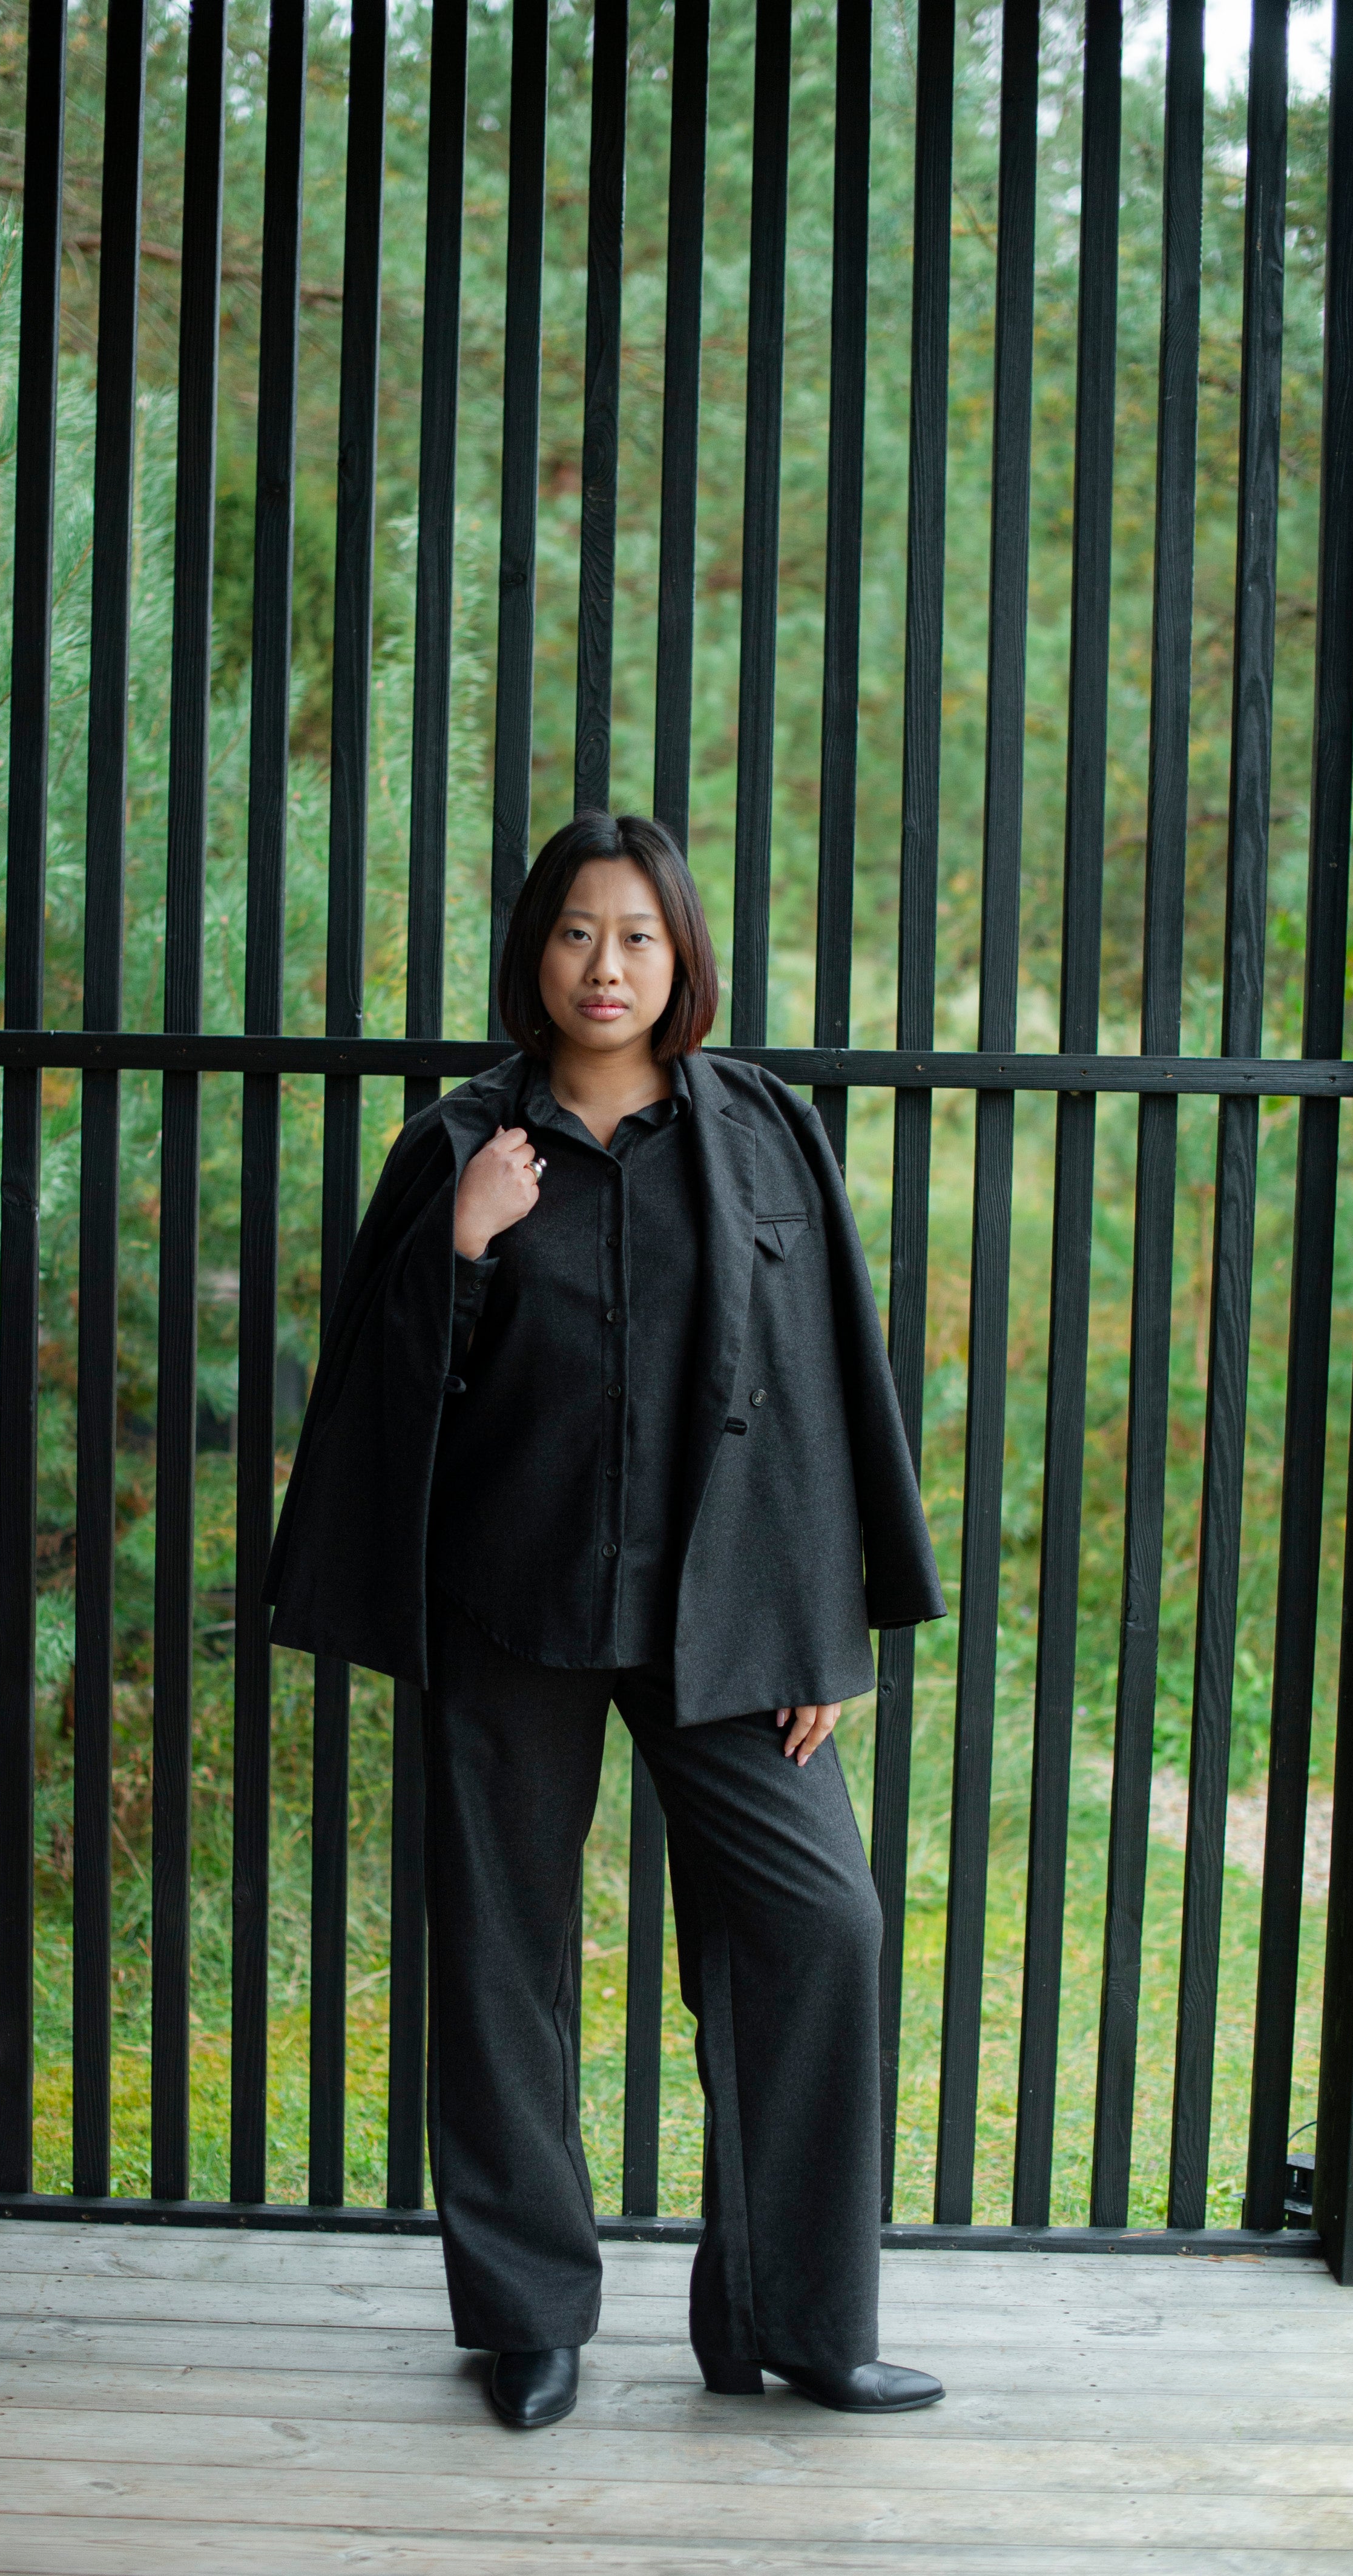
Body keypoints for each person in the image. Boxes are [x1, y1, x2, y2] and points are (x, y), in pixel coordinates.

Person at [266, 812, 946, 2430]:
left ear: (682, 957)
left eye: (637, 934)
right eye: (578, 933)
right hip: (509, 1598)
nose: (607, 965)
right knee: (502, 1953)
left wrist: (821, 1631)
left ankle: (798, 2319)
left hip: (725, 1613)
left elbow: (827, 1392)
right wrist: (468, 1248)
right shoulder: (454, 1149)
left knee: (821, 1924)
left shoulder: (763, 1130)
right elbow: (379, 1405)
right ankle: (527, 2317)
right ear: (537, 953)